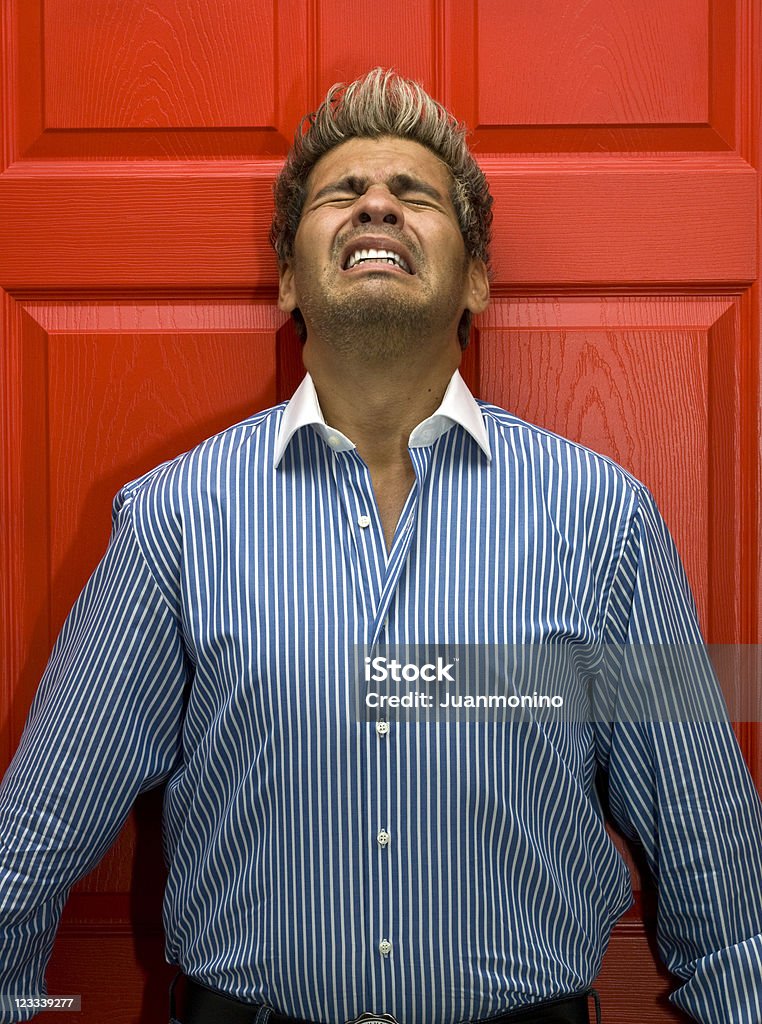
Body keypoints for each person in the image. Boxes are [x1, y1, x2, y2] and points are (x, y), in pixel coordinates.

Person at [0, 68, 761, 1024]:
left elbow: (711, 854)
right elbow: (34, 836)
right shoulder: (175, 518)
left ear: (475, 275)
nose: (375, 204)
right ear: (289, 275)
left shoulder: (604, 518)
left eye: (414, 195)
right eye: (341, 194)